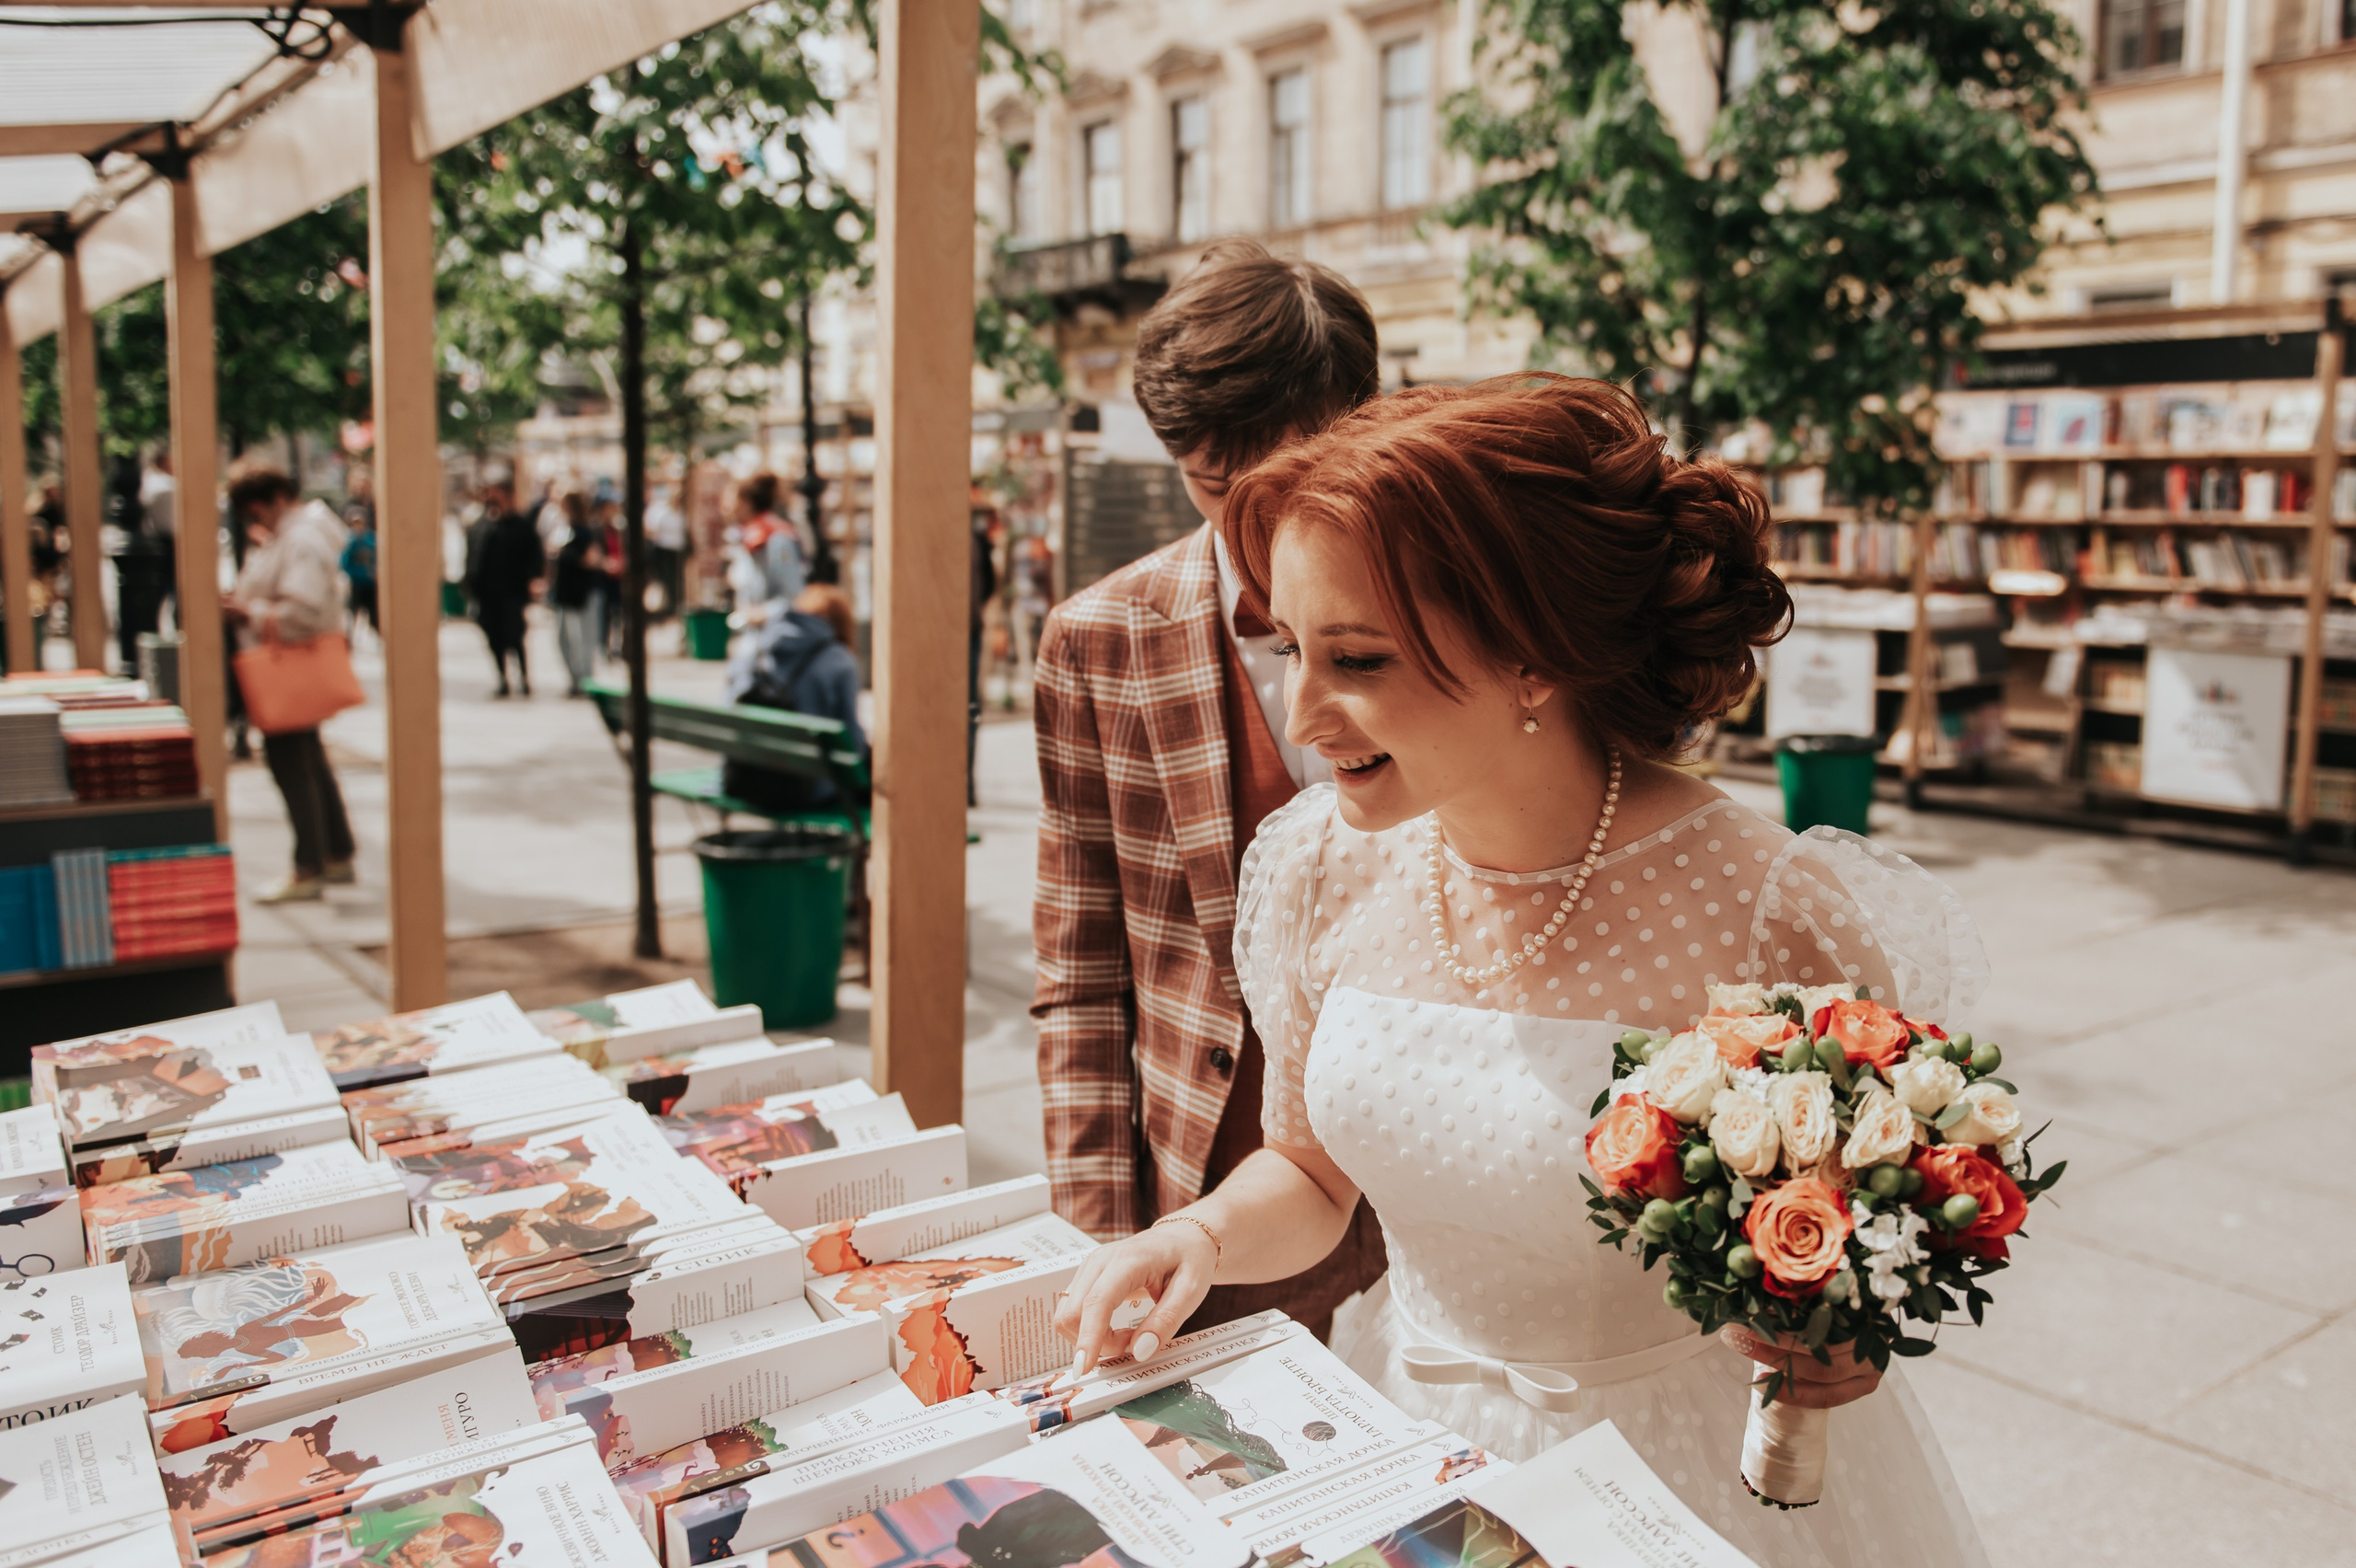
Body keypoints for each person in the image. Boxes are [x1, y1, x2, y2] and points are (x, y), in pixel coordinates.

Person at [1053, 376, 1990, 1566]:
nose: (1303, 712)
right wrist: (1202, 1237)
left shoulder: (1764, 908)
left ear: (1534, 654)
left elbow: (1857, 1232)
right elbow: (1313, 1167)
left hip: (1667, 1479)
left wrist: (1838, 1331)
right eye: (1288, 647)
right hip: (1400, 1429)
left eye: (1357, 658)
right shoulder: (1319, 869)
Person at [1030, 238, 1385, 1342]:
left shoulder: (1450, 617)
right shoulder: (1097, 641)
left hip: (1431, 1181)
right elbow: (1079, 974)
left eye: (1295, 476)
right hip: (1209, 1197)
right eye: (1215, 483)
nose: (1258, 522)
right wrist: (1095, 1237)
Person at [224, 469, 357, 904]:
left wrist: (249, 612)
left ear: (276, 500)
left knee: (292, 763)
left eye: (256, 511)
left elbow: (302, 607)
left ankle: (310, 864)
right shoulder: (300, 535)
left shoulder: (299, 539)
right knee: (308, 757)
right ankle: (335, 852)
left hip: (286, 664)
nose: (254, 521)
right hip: (294, 663)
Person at [719, 582, 865, 812]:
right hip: (806, 788)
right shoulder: (839, 660)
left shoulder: (753, 647)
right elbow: (852, 741)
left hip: (745, 778)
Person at [465, 481, 543, 698]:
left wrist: (534, 579)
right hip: (487, 592)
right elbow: (473, 555)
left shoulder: (520, 525)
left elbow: (534, 554)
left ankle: (524, 678)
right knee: (494, 636)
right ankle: (502, 678)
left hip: (512, 590)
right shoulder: (482, 524)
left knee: (514, 634)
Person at [549, 492, 606, 697]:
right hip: (564, 592)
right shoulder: (563, 530)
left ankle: (585, 680)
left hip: (583, 591)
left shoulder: (587, 531)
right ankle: (575, 679)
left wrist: (569, 556)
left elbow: (594, 559)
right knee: (563, 638)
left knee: (584, 638)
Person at [734, 474, 805, 616]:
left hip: (775, 633)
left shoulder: (777, 539)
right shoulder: (751, 537)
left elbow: (793, 597)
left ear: (745, 502)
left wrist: (760, 614)